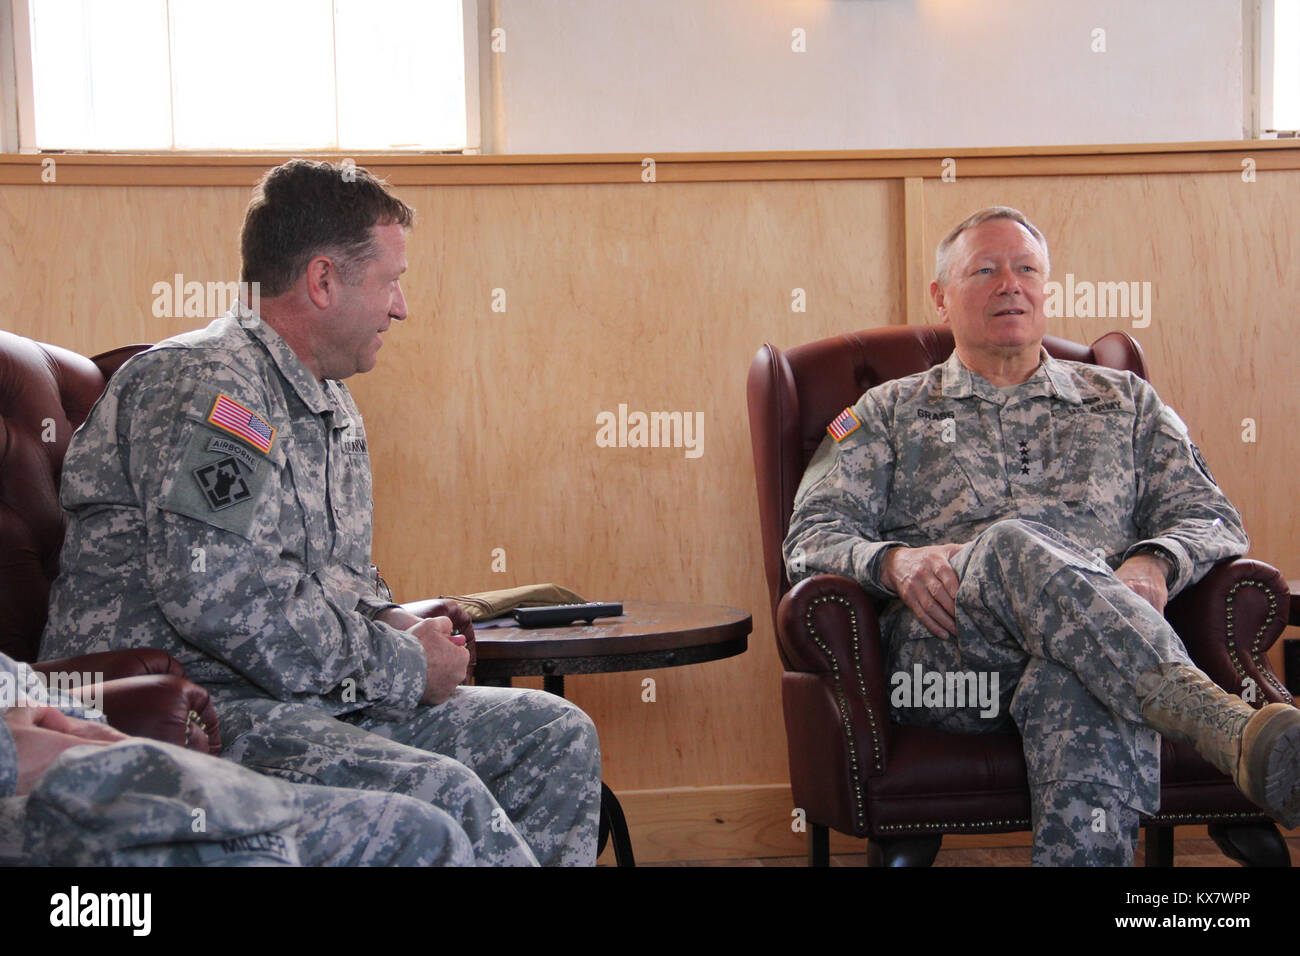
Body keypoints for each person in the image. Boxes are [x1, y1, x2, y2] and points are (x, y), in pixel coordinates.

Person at [40, 159, 600, 866]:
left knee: (555, 734)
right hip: (201, 707)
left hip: (302, 695)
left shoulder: (330, 402)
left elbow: (336, 582)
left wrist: (393, 619)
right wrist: (401, 665)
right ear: (324, 280)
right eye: (391, 282)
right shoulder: (218, 389)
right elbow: (220, 598)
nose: (402, 307)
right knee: (444, 791)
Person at [783, 205, 1300, 866]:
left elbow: (1214, 519)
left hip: (1099, 657)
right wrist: (895, 563)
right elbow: (808, 539)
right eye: (987, 270)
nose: (1011, 284)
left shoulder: (1126, 401)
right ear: (942, 298)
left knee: (1077, 679)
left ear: (1047, 288)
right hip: (946, 666)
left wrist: (1154, 562)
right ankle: (1221, 723)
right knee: (1008, 545)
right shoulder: (887, 412)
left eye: (1027, 268)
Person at [0, 650, 472, 866]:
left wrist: (78, 724)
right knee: (442, 795)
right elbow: (225, 604)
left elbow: (22, 688)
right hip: (28, 803)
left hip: (85, 776)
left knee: (416, 830)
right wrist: (12, 755)